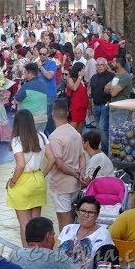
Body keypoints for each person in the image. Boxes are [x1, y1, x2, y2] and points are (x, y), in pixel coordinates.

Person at [6, 109, 56, 246]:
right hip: (38, 180)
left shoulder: (17, 140)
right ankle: (39, 252)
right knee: (36, 224)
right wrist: (43, 174)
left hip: (23, 181)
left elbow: (20, 165)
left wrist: (12, 181)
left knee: (25, 225)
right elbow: (52, 159)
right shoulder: (41, 136)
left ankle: (27, 255)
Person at [47, 99, 86, 231]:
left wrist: (75, 173)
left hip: (61, 184)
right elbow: (82, 156)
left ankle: (66, 248)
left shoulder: (54, 137)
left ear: (53, 114)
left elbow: (59, 163)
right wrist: (80, 172)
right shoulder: (75, 133)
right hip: (74, 184)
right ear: (68, 113)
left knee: (64, 221)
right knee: (70, 214)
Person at [58, 196, 114, 269]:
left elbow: (106, 263)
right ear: (77, 212)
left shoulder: (103, 234)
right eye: (83, 211)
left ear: (97, 215)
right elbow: (55, 253)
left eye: (90, 213)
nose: (86, 215)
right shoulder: (68, 229)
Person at [11, 217, 79, 269]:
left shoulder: (14, 254)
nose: (54, 240)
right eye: (53, 235)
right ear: (48, 236)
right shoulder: (59, 259)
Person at [89, 57, 114, 155]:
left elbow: (113, 90)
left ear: (106, 65)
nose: (99, 67)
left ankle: (105, 151)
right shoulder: (94, 77)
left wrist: (109, 101)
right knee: (100, 129)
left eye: (101, 65)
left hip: (105, 106)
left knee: (102, 128)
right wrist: (91, 102)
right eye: (97, 65)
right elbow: (91, 90)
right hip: (96, 106)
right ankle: (103, 149)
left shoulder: (111, 76)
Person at [14, 63, 48, 133]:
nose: (24, 74)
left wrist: (19, 88)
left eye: (25, 72)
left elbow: (17, 99)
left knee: (27, 141)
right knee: (39, 141)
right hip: (42, 118)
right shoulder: (44, 84)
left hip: (29, 120)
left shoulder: (27, 86)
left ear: (30, 74)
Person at [37, 46, 57, 135]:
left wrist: (40, 66)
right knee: (40, 117)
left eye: (44, 54)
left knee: (48, 117)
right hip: (39, 95)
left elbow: (49, 76)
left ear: (48, 55)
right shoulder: (36, 64)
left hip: (49, 94)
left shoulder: (52, 63)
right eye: (40, 54)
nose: (41, 56)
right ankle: (43, 137)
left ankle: (52, 135)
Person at [66, 62, 88, 133]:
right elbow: (74, 88)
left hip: (83, 107)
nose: (85, 71)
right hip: (74, 107)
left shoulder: (83, 81)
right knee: (72, 131)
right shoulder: (70, 79)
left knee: (79, 131)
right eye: (83, 69)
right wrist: (79, 77)